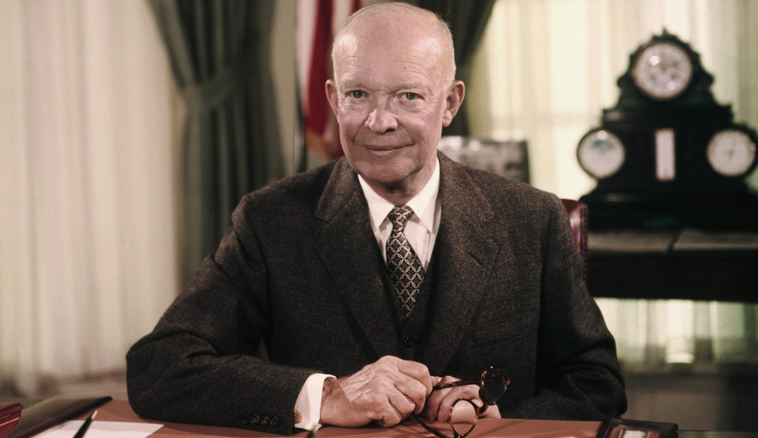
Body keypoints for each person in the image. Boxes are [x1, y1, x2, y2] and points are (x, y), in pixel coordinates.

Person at [126, 2, 627, 435]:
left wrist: (499, 415)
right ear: (332, 100)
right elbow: (159, 368)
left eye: (408, 96)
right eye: (358, 94)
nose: (379, 122)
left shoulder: (531, 218)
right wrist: (327, 395)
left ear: (449, 103)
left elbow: (595, 381)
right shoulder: (270, 219)